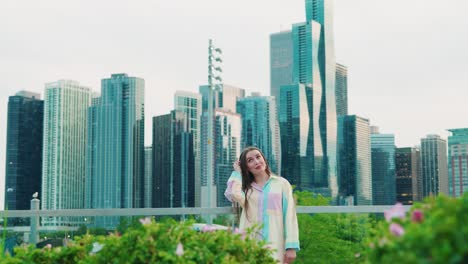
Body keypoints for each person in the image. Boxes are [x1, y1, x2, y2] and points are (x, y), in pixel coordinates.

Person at [224, 146, 300, 264]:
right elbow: (233, 193)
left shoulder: (282, 184)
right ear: (246, 168)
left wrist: (291, 246)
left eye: (258, 157)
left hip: (275, 244)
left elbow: (289, 216)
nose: (256, 162)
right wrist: (237, 172)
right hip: (250, 244)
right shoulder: (247, 189)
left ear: (264, 159)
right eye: (250, 160)